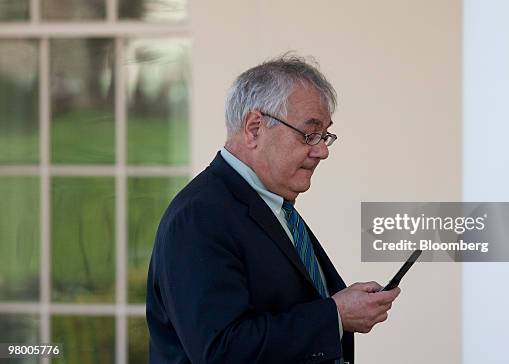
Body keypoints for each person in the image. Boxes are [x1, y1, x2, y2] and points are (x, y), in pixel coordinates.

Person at [146, 55, 401, 363]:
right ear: (254, 128)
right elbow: (222, 351)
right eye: (310, 134)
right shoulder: (199, 216)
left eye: (325, 136)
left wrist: (341, 308)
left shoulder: (274, 205)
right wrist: (335, 316)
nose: (321, 151)